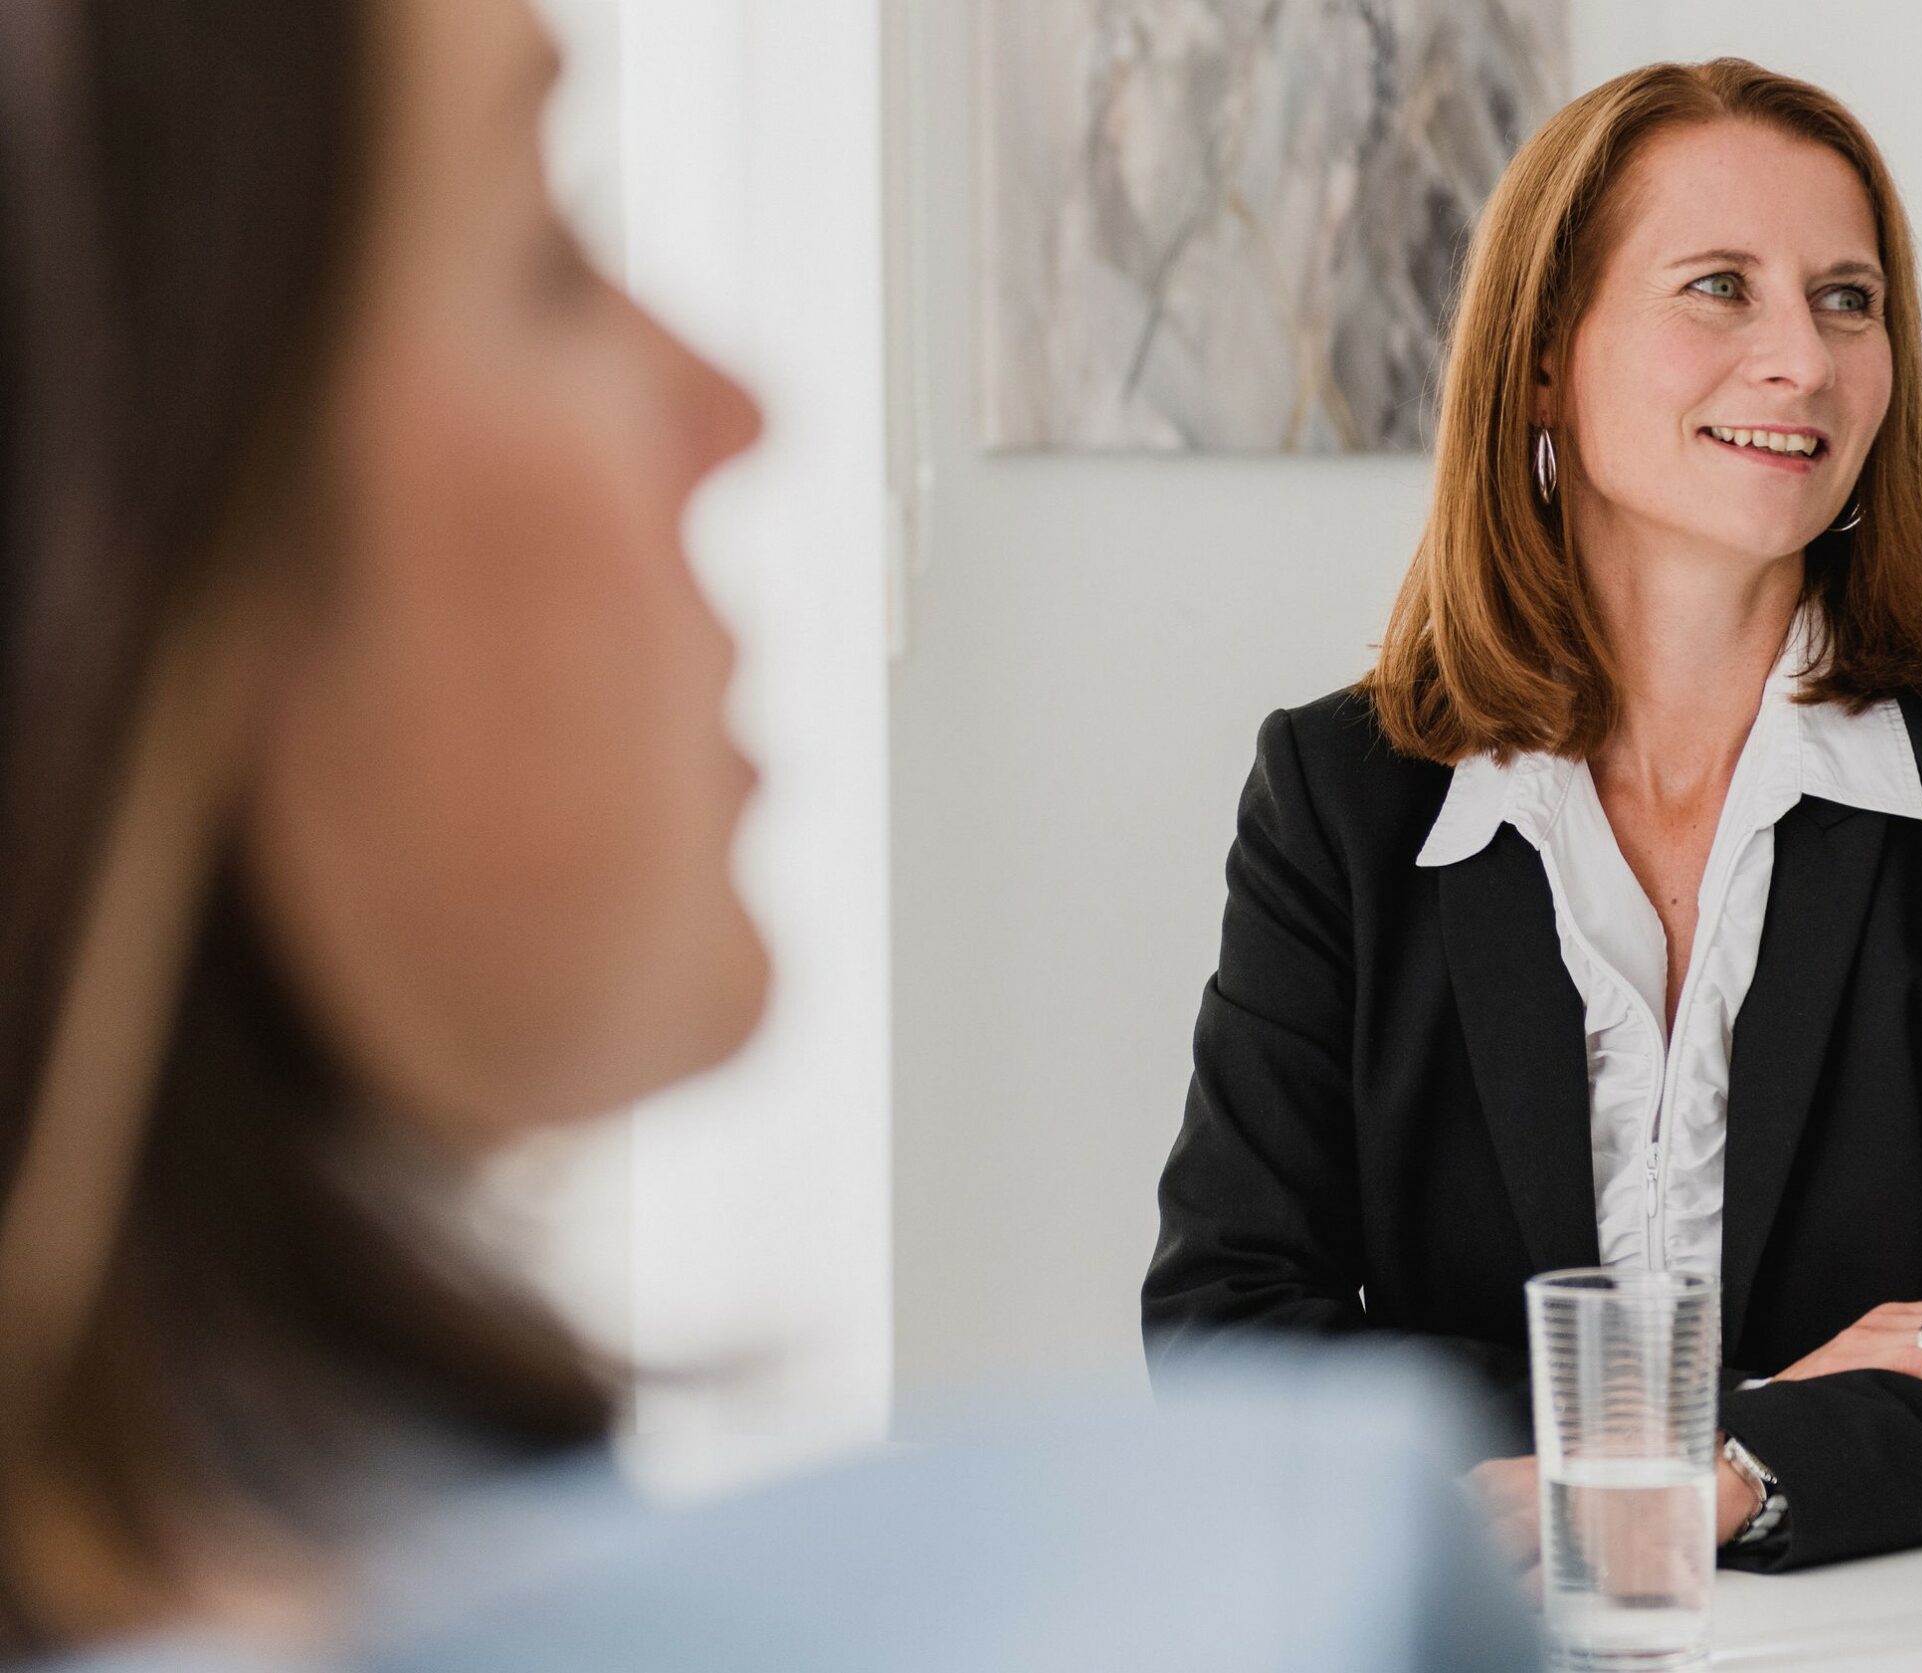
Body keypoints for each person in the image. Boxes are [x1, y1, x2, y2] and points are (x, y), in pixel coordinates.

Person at [0, 1, 1537, 1667]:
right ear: (128, 504)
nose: (733, 405)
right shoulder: (1327, 1576)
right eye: (546, 255)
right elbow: (1234, 1305)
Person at [1144, 57, 1922, 1576]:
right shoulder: (1345, 796)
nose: (1803, 360)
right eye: (1720, 288)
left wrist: (1712, 1480)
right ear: (1544, 357)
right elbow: (1229, 1341)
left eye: (1847, 301)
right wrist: (1756, 1413)